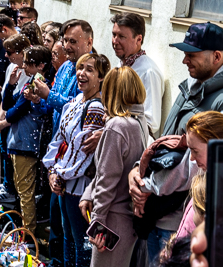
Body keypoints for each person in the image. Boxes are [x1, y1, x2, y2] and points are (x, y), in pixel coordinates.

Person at [129, 22, 223, 263]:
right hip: (160, 213)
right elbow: (166, 140)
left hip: (178, 223)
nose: (184, 61)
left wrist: (146, 185)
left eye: (191, 55)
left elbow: (198, 167)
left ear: (217, 56)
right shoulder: (191, 87)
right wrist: (137, 171)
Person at [31, 19, 94, 267]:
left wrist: (50, 95)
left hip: (75, 169)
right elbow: (56, 109)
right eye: (65, 40)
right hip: (59, 159)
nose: (67, 46)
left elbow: (74, 106)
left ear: (89, 42)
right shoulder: (67, 66)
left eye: (73, 41)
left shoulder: (90, 68)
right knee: (59, 227)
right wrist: (39, 100)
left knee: (76, 237)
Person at [43, 53, 110, 266]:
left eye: (90, 70)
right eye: (81, 68)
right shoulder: (73, 103)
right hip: (65, 182)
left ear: (101, 78)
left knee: (81, 243)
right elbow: (59, 139)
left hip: (80, 188)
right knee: (67, 238)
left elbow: (84, 153)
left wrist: (60, 174)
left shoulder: (96, 108)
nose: (82, 73)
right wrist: (52, 170)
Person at [80, 66, 149, 267]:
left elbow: (107, 178)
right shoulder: (139, 121)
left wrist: (97, 222)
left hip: (112, 220)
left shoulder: (117, 126)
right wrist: (88, 194)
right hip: (126, 222)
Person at [2, 45, 52, 235]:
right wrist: (12, 84)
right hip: (18, 142)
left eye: (29, 62)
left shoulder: (39, 84)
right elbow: (8, 103)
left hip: (26, 145)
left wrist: (2, 122)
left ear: (41, 65)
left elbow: (17, 110)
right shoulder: (29, 81)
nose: (24, 65)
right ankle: (25, 229)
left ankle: (28, 233)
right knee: (22, 191)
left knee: (25, 193)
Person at [111, 12, 164, 135]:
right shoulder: (121, 65)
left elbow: (151, 123)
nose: (115, 41)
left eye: (122, 37)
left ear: (138, 39)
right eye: (114, 35)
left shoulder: (148, 72)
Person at [0, 34, 31, 204]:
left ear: (21, 52)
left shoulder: (29, 71)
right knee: (5, 153)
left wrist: (3, 123)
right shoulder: (12, 67)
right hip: (7, 120)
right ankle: (7, 185)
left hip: (18, 124)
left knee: (14, 158)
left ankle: (12, 190)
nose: (6, 56)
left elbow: (21, 106)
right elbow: (6, 99)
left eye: (9, 52)